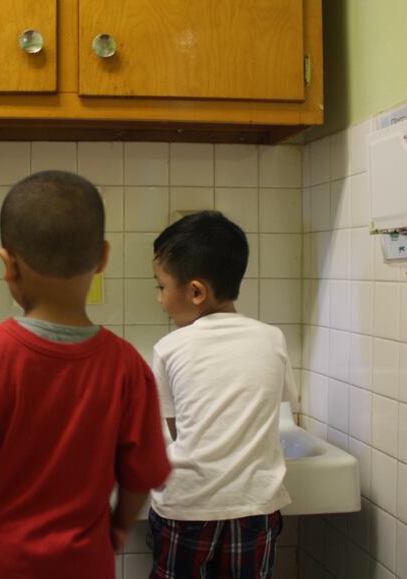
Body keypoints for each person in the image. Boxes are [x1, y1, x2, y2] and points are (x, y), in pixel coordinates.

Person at [0, 170, 172, 579]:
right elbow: (144, 473)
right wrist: (119, 524)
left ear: (9, 264)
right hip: (85, 563)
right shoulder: (126, 367)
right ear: (103, 257)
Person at [147, 210, 299, 579]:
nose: (160, 299)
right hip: (254, 508)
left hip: (188, 507)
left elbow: (177, 429)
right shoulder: (272, 338)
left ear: (196, 292)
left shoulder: (170, 347)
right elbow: (283, 407)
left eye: (161, 286)